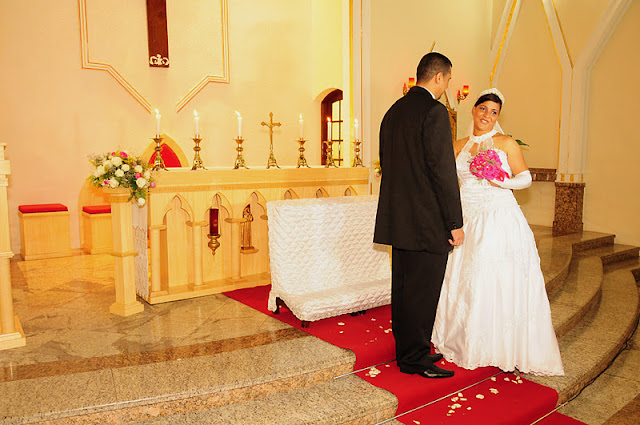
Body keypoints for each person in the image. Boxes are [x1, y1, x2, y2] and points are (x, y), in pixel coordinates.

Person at [431, 88, 564, 376]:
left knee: (491, 275)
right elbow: (445, 179)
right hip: (466, 215)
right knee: (465, 277)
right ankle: (464, 338)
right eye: (483, 109)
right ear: (473, 110)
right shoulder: (458, 145)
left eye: (494, 112)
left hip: (497, 214)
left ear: (498, 116)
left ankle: (499, 343)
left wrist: (501, 181)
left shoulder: (506, 143)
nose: (487, 116)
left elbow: (525, 178)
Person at [374, 52, 464, 379]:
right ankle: (415, 359)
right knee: (423, 293)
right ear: (439, 77)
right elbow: (443, 172)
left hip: (400, 219)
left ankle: (409, 351)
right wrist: (455, 223)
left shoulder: (393, 111)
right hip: (427, 221)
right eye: (448, 80)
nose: (447, 86)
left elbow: (388, 164)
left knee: (403, 290)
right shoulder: (434, 111)